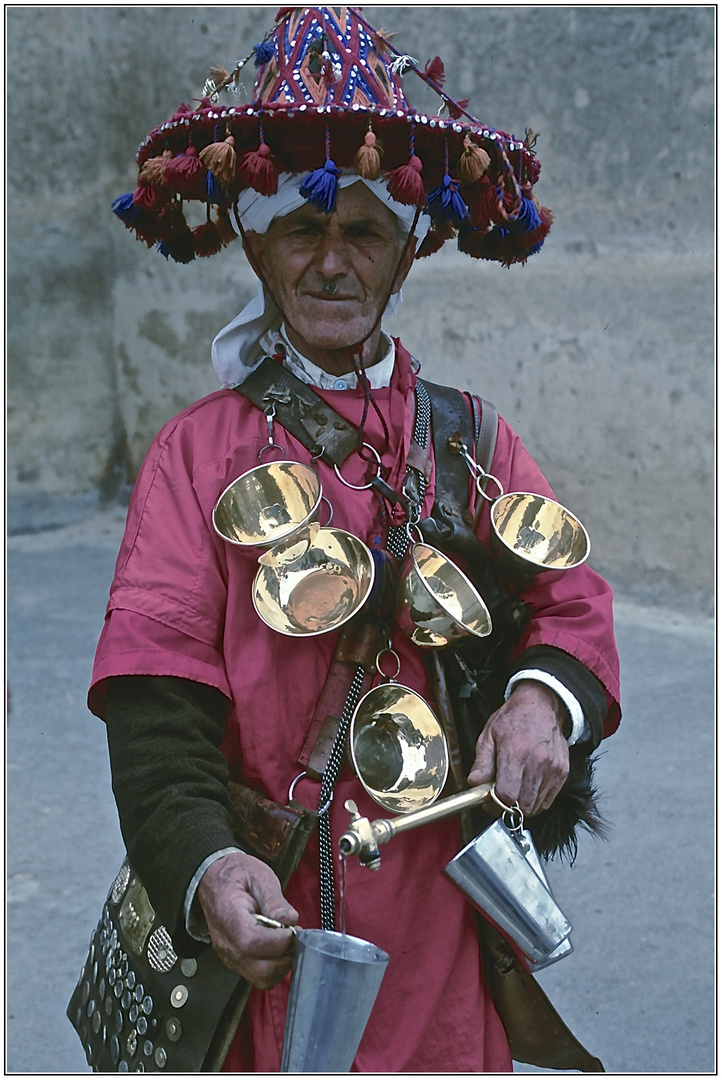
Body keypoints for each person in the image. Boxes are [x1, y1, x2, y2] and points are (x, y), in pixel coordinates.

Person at [87, 7, 620, 1072]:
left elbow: (570, 602)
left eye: (363, 232)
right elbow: (156, 698)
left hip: (442, 922)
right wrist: (205, 870)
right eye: (304, 231)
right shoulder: (196, 456)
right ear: (257, 245)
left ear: (404, 254)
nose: (332, 262)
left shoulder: (470, 439)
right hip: (272, 909)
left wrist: (534, 702)